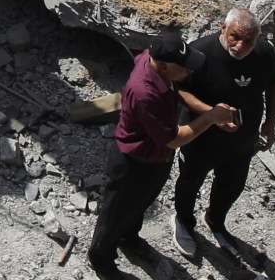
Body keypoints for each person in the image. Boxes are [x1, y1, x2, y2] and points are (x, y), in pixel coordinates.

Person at [87, 30, 239, 279]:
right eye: (185, 68)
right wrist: (210, 118)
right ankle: (101, 259)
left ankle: (129, 237)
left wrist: (210, 111)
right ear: (166, 66)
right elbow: (173, 139)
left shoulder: (154, 62)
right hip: (133, 163)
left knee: (139, 204)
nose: (190, 72)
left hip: (155, 159)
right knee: (115, 214)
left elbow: (176, 92)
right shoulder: (146, 92)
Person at [171, 9, 275, 261]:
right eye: (235, 37)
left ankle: (215, 220)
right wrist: (211, 114)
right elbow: (178, 90)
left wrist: (270, 123)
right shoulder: (199, 54)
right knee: (190, 182)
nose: (241, 46)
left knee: (232, 185)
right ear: (223, 28)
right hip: (200, 139)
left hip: (242, 141)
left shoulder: (264, 53)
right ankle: (183, 222)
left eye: (249, 41)